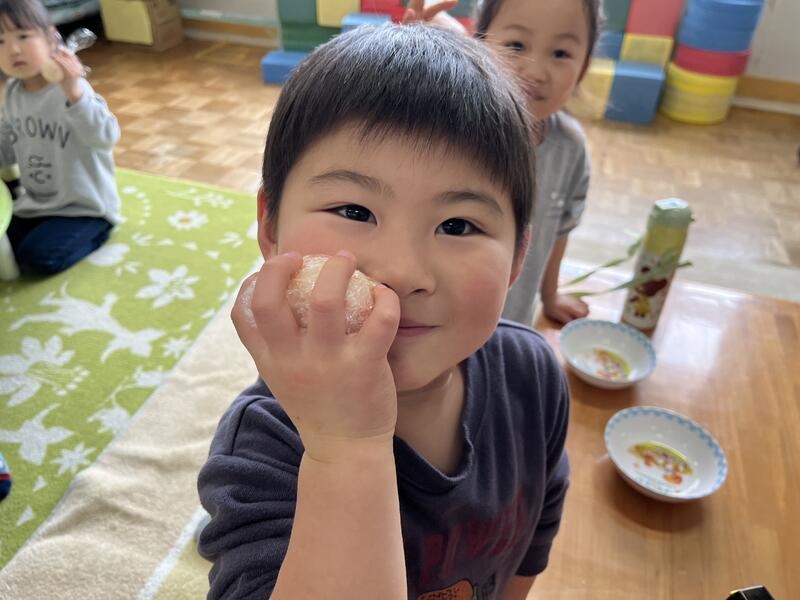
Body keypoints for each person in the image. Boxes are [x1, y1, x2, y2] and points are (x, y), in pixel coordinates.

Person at [197, 25, 570, 600]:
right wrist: (343, 448)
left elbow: (538, 527)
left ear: (519, 254)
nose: (402, 271)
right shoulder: (264, 447)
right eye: (354, 210)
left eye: (458, 225)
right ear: (270, 227)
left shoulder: (533, 375)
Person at [476, 0, 601, 326]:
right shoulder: (455, 131)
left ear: (584, 66)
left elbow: (559, 231)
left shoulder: (570, 148)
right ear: (479, 45)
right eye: (516, 45)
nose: (535, 72)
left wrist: (550, 296)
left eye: (560, 53)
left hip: (514, 325)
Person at [0, 0, 121, 275]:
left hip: (85, 208)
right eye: (0, 41)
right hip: (36, 202)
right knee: (6, 244)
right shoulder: (13, 94)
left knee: (37, 258)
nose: (13, 50)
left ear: (50, 38)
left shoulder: (72, 89)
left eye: (23, 36)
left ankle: (100, 231)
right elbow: (6, 151)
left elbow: (106, 136)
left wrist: (74, 92)